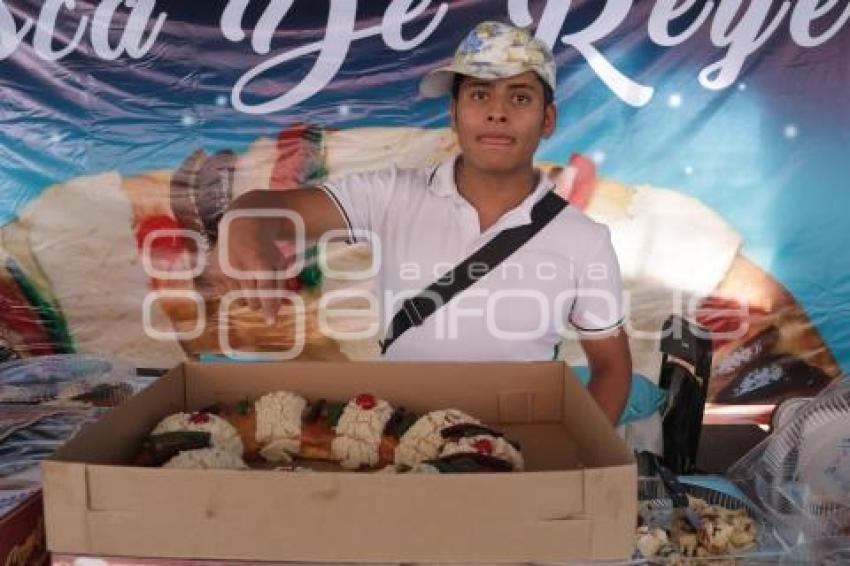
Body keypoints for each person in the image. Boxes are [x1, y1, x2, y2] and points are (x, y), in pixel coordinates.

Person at [209, 21, 632, 425]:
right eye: (479, 95)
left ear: (548, 120)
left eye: (520, 97)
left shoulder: (584, 240)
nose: (497, 113)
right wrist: (243, 222)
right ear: (454, 113)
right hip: (400, 438)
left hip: (522, 442)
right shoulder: (391, 195)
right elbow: (272, 212)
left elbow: (611, 367)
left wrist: (578, 451)